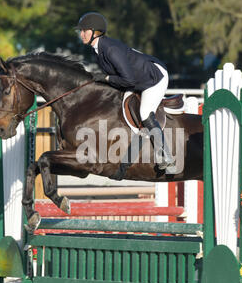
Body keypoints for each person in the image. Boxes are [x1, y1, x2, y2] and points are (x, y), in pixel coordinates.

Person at [75, 12, 175, 170]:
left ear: (95, 32)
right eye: (80, 31)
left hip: (154, 78)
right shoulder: (98, 49)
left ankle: (165, 155)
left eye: (84, 30)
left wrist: (105, 78)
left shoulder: (110, 50)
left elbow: (128, 80)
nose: (81, 34)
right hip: (137, 79)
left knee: (144, 112)